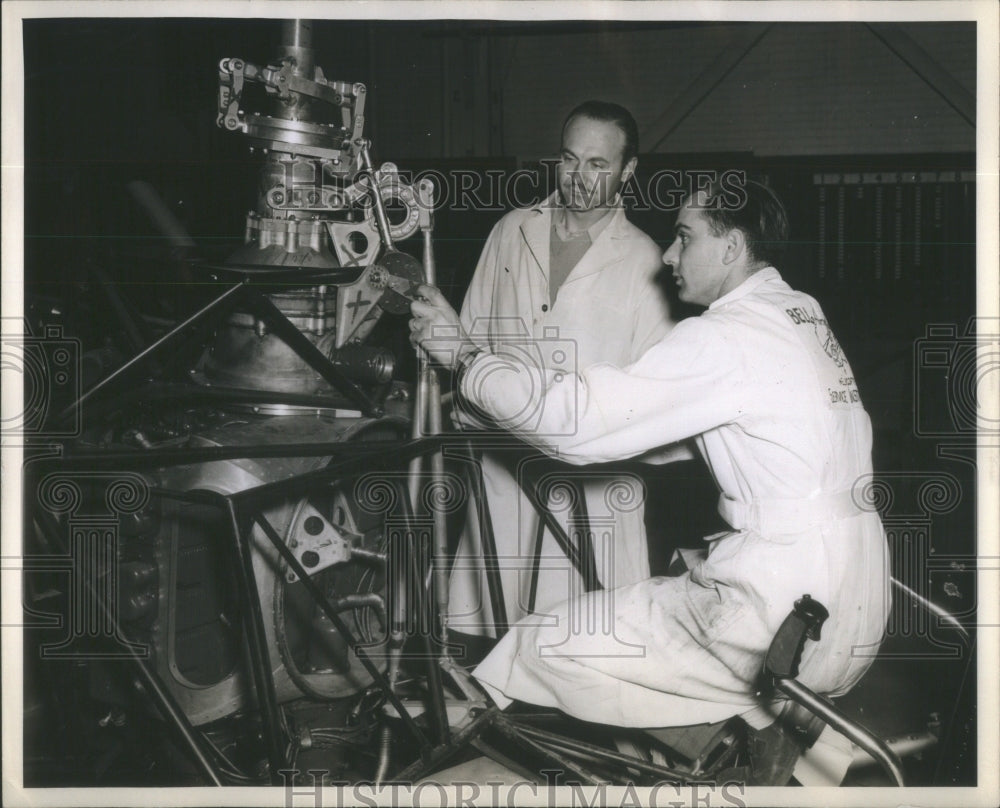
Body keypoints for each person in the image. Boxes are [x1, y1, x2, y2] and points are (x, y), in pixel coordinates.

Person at [411, 179, 890, 742]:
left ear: (732, 247)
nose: (668, 255)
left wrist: (466, 359)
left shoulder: (725, 336)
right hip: (855, 596)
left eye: (685, 237)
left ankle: (467, 752)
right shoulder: (797, 313)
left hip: (777, 615)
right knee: (650, 639)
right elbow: (710, 433)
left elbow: (583, 425)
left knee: (538, 642)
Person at [448, 100, 674, 637]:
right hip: (502, 470)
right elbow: (470, 335)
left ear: (628, 170)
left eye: (599, 164)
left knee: (583, 650)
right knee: (491, 637)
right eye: (570, 159)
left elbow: (653, 402)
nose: (579, 177)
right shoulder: (510, 231)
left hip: (592, 492)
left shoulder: (648, 262)